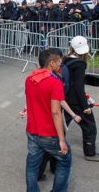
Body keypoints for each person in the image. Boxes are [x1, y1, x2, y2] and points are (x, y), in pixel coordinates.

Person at [25, 49, 72, 192]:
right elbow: (56, 112)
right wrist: (61, 139)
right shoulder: (54, 82)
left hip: (32, 131)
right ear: (52, 63)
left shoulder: (30, 79)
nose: (60, 64)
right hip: (49, 133)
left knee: (32, 167)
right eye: (59, 62)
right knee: (64, 162)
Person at [63, 36, 99, 161]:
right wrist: (85, 106)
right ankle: (90, 152)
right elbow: (78, 86)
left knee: (62, 125)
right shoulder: (80, 64)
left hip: (65, 98)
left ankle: (54, 151)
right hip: (76, 100)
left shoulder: (65, 59)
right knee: (89, 126)